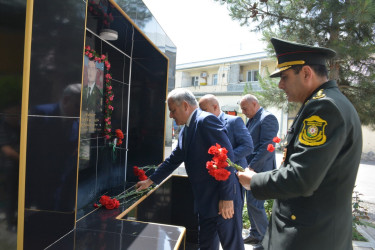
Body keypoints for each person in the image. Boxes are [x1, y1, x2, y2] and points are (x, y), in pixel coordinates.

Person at [237, 38, 362, 250]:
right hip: (306, 230)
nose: (280, 85)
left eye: (285, 77)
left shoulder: (323, 107)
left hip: (310, 235)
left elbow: (301, 178)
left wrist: (254, 180)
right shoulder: (325, 102)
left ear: (306, 73)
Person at [136, 88, 244, 250]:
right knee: (206, 246)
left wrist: (227, 198)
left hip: (222, 201)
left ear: (185, 105)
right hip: (205, 202)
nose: (171, 115)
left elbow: (225, 158)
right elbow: (174, 159)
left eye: (173, 111)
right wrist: (150, 180)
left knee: (232, 246)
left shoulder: (206, 121)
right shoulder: (186, 129)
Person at [239, 94, 279, 248]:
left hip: (259, 170)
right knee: (251, 203)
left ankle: (265, 239)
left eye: (245, 108)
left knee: (255, 204)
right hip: (251, 168)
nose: (243, 111)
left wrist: (251, 167)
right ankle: (255, 234)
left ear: (254, 104)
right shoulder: (253, 118)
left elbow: (266, 148)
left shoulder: (267, 118)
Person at [198, 94, 253, 175]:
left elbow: (248, 146)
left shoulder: (234, 121)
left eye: (205, 110)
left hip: (232, 173)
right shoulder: (202, 124)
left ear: (215, 107)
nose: (202, 114)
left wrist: (223, 160)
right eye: (200, 111)